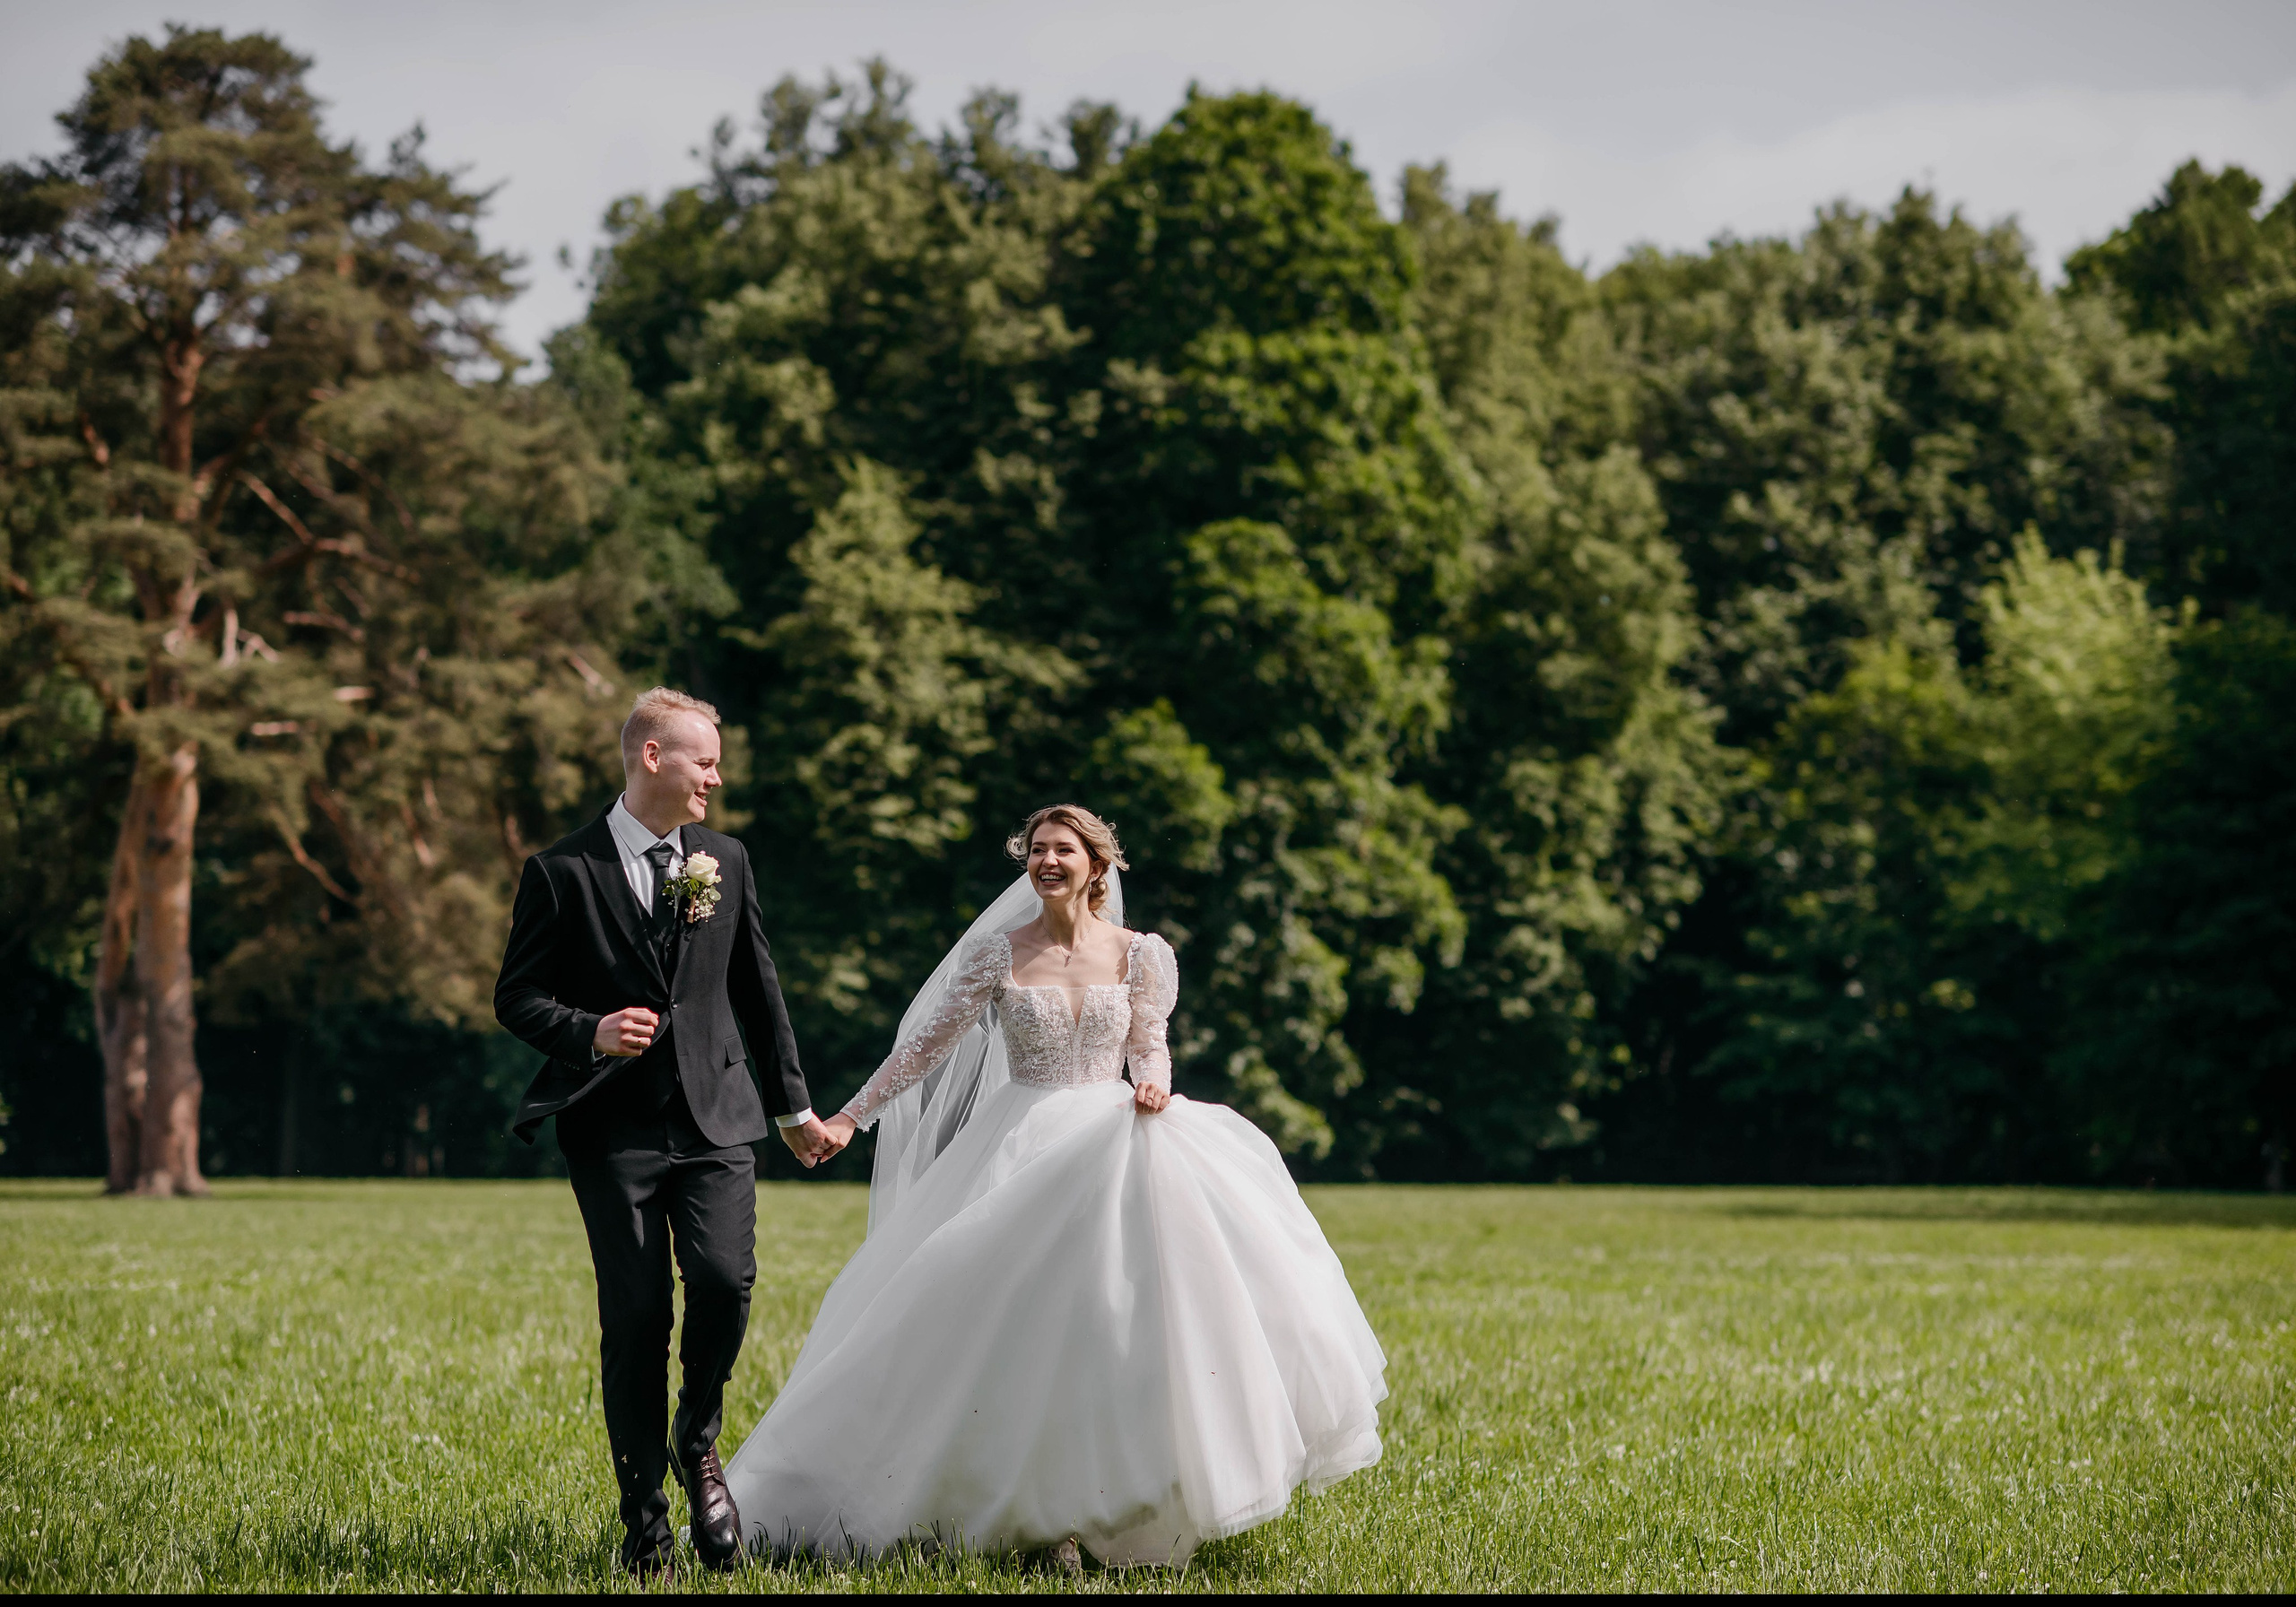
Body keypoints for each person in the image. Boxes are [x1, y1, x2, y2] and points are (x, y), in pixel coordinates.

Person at [722, 804, 1387, 1569]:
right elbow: (924, 1050)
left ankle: (1102, 1514)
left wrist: (1155, 1086)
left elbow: (1150, 1045)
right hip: (1016, 1145)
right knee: (994, 1325)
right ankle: (1006, 1511)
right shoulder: (996, 956)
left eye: (1062, 850)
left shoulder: (1142, 955)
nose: (1046, 861)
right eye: (1035, 850)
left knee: (1113, 1323)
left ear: (1096, 865)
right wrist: (849, 1117)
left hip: (1112, 1143)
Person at [494, 687, 845, 1578]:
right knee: (638, 1316)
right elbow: (517, 997)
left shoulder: (723, 858)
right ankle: (645, 1523)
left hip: (718, 1119)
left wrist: (794, 1110)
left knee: (725, 1284)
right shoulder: (560, 871)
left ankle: (699, 1440)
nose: (716, 780)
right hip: (611, 1132)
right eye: (704, 761)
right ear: (653, 757)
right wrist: (589, 1030)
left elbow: (758, 993)